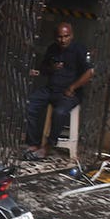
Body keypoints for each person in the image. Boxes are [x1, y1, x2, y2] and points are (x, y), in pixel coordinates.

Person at [24, 22, 93, 160]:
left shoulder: (79, 50)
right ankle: (33, 143)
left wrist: (72, 88)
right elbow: (44, 69)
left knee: (59, 112)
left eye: (66, 36)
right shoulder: (53, 48)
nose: (63, 40)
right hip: (51, 89)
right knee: (29, 104)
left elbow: (90, 72)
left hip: (69, 92)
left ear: (71, 35)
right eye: (60, 37)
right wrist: (52, 68)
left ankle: (48, 146)